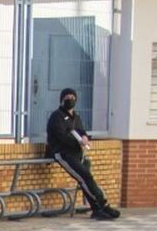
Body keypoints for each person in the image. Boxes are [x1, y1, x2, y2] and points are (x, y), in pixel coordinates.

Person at [45, 88, 119, 220]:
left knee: (86, 178)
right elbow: (61, 136)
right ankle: (102, 204)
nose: (70, 100)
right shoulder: (56, 116)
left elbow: (81, 131)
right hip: (63, 154)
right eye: (67, 97)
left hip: (78, 154)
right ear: (62, 100)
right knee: (84, 176)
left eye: (72, 97)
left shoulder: (76, 117)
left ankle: (98, 208)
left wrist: (84, 138)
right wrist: (76, 142)